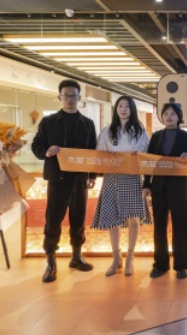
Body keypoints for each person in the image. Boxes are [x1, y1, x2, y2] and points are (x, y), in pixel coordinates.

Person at [31, 79, 97, 283]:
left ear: (79, 97)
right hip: (57, 179)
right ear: (59, 97)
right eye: (66, 95)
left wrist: (92, 175)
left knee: (78, 219)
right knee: (53, 220)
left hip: (79, 179)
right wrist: (46, 152)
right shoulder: (48, 122)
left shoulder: (87, 124)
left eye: (73, 95)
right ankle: (51, 262)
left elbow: (93, 151)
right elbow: (36, 145)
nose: (70, 99)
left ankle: (76, 257)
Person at [91, 96, 151, 277]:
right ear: (116, 109)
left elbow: (147, 154)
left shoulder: (140, 131)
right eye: (120, 106)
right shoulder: (108, 130)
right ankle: (116, 257)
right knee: (112, 218)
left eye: (127, 106)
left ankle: (130, 257)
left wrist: (138, 154)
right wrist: (107, 154)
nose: (123, 109)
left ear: (132, 109)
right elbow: (98, 153)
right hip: (112, 176)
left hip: (132, 176)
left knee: (133, 218)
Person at [142, 103, 187, 279]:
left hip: (179, 187)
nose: (169, 116)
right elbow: (149, 162)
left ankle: (181, 266)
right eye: (166, 113)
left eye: (172, 114)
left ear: (178, 117)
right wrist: (146, 184)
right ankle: (160, 264)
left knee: (181, 225)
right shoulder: (156, 136)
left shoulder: (186, 137)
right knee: (159, 227)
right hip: (158, 187)